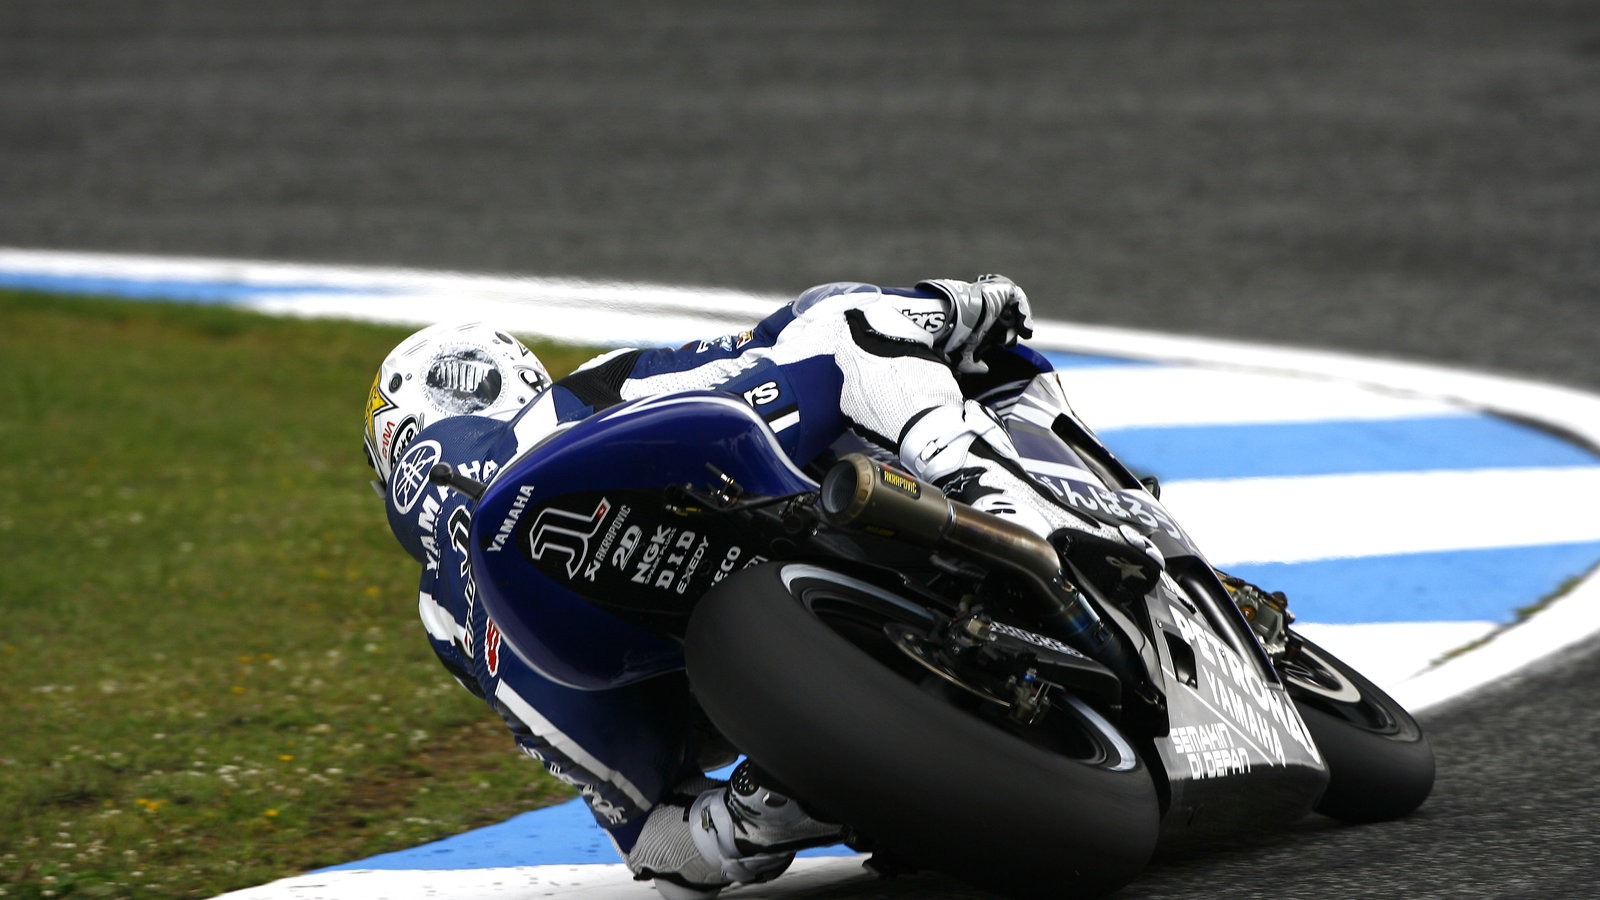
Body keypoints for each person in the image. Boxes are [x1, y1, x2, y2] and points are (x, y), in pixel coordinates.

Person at [362, 277, 1284, 898]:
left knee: (670, 845)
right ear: (499, 376)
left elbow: (643, 837)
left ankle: (760, 813)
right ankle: (967, 468)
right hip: (712, 534)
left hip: (626, 669)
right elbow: (767, 349)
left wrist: (704, 830)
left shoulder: (441, 611)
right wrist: (947, 310)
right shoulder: (585, 394)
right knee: (836, 317)